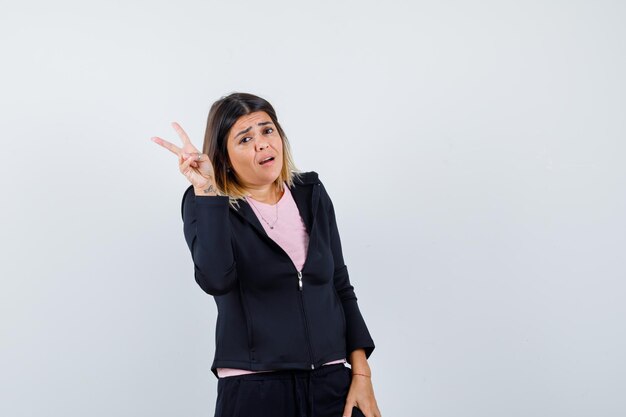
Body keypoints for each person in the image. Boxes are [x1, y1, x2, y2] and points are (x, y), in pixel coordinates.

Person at [151, 92, 381, 417]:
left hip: (332, 384)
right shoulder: (207, 203)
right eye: (245, 138)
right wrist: (208, 192)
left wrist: (361, 374)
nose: (261, 144)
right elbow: (216, 279)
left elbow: (340, 285)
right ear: (224, 156)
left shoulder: (310, 193)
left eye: (267, 130)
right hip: (255, 389)